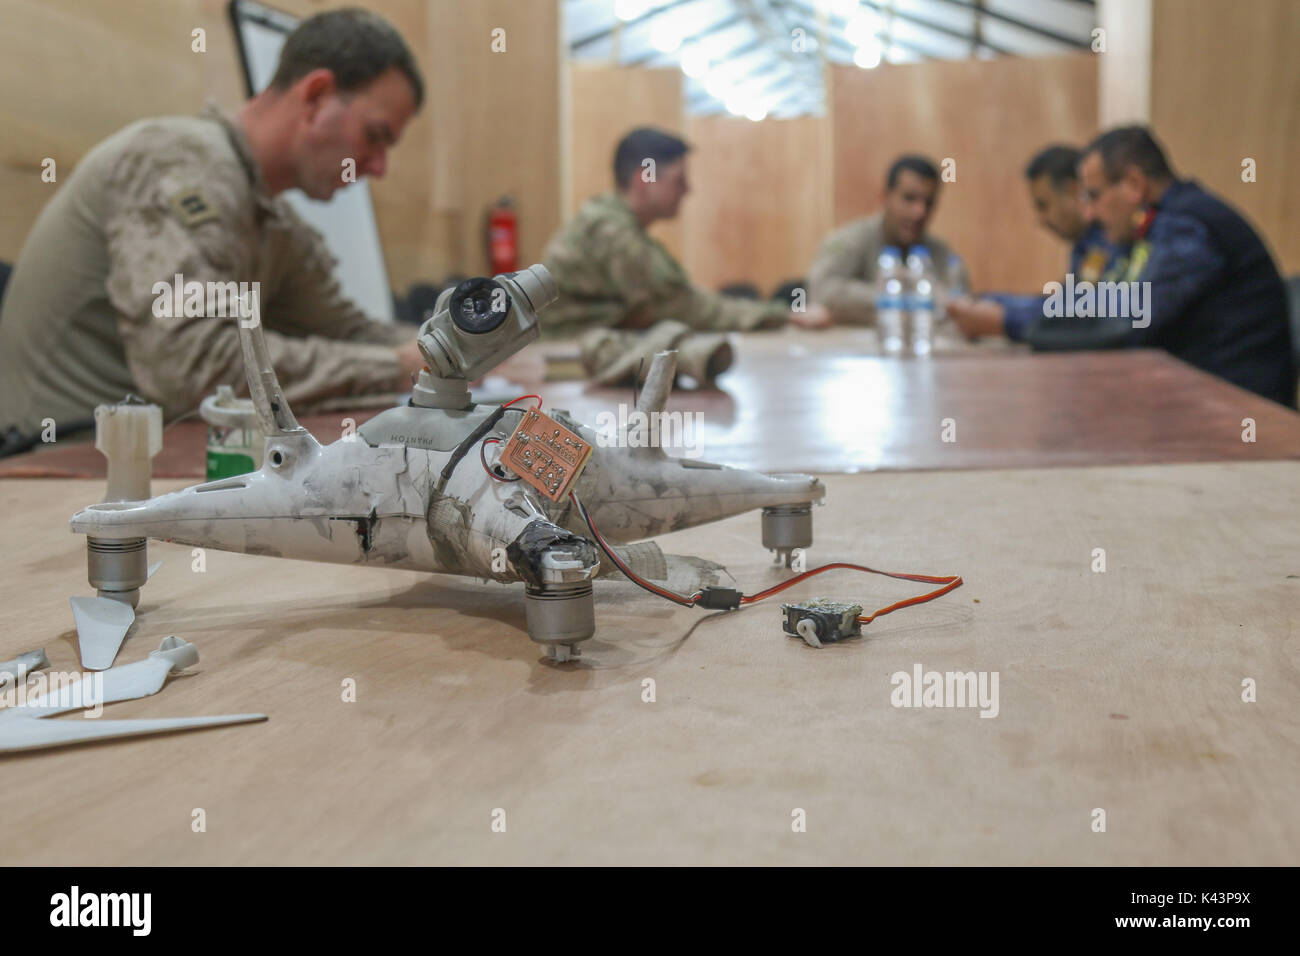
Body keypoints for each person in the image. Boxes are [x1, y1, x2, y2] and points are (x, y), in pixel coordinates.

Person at [0, 8, 428, 456]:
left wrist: (449, 348)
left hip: (147, 457)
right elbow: (189, 366)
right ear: (317, 95)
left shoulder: (269, 218)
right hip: (55, 465)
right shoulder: (178, 164)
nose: (379, 167)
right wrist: (393, 367)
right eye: (375, 136)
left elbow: (349, 331)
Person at [949, 126, 1295, 407]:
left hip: (1242, 415)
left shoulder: (1187, 228)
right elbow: (1098, 301)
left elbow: (1126, 316)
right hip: (1206, 401)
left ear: (1133, 184)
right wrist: (1000, 306)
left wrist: (1005, 321)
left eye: (1094, 196)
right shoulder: (1160, 227)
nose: (1090, 214)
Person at [543, 127, 829, 387]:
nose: (687, 190)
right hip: (563, 366)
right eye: (679, 180)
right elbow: (684, 308)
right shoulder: (614, 235)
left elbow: (679, 301)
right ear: (646, 177)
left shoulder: (611, 225)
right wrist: (782, 315)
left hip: (571, 361)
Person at [951, 145, 1123, 340]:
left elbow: (1083, 318)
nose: (1041, 219)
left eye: (1044, 205)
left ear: (1073, 191)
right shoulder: (1085, 246)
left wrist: (1002, 320)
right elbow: (1062, 303)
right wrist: (993, 302)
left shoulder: (1111, 239)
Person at [808, 154, 967, 326]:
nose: (920, 212)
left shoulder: (941, 253)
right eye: (909, 198)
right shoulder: (848, 241)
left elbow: (961, 306)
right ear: (885, 197)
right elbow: (823, 291)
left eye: (928, 203)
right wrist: (906, 298)